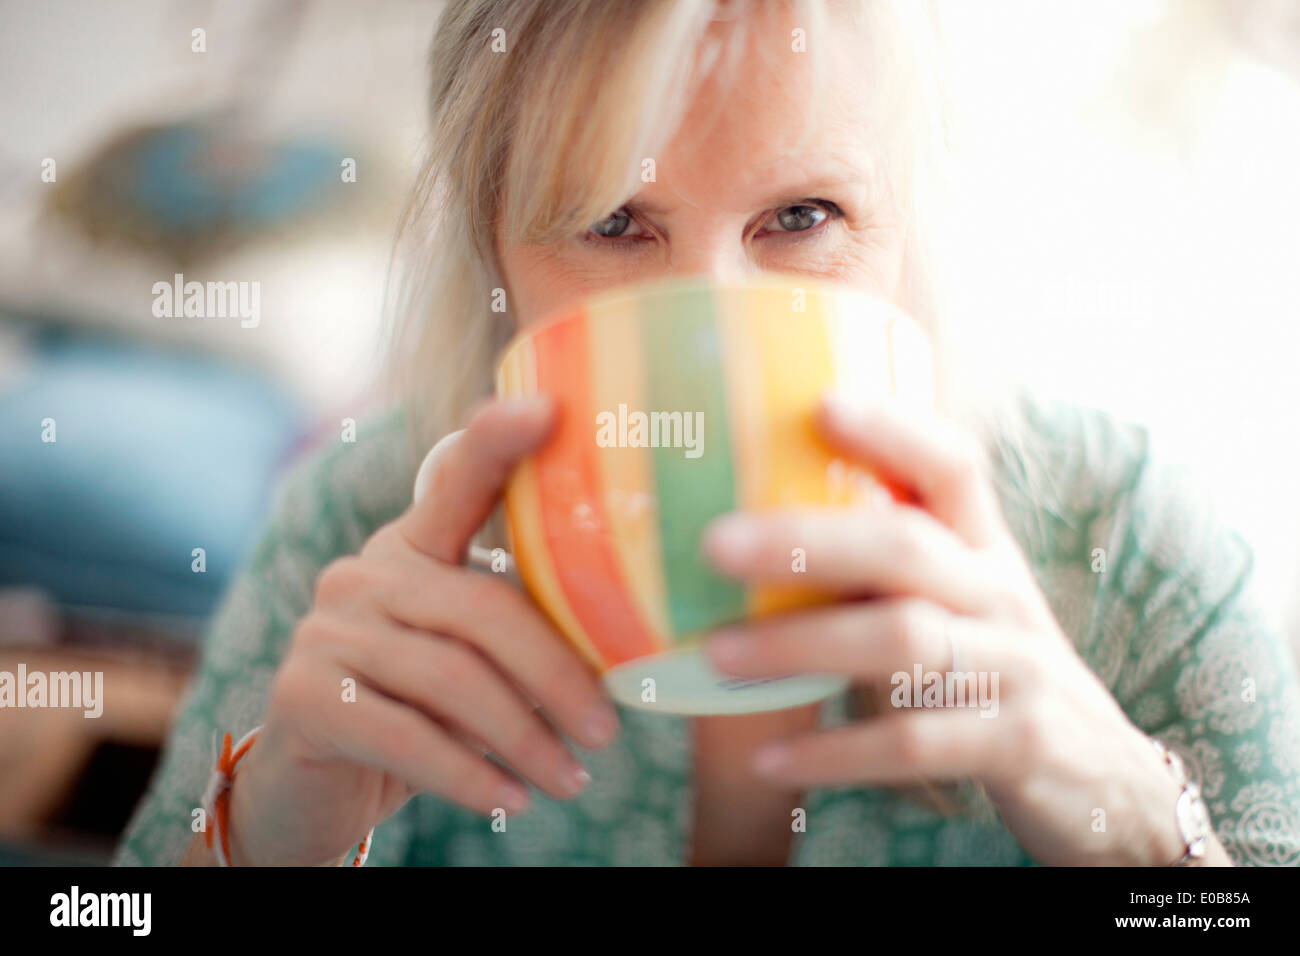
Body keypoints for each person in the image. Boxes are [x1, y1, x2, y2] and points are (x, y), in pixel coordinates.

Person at [116, 0, 1300, 867]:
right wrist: (263, 843)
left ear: (910, 229)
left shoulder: (1130, 547)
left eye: (802, 215)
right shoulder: (368, 526)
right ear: (493, 253)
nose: (718, 334)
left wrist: (1152, 848)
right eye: (612, 222)